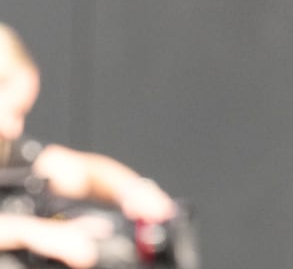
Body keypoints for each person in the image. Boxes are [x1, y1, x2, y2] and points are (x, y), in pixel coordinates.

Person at [0, 22, 177, 268]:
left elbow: (77, 171)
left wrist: (133, 190)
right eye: (13, 112)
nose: (13, 128)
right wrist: (32, 232)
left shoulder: (8, 151)